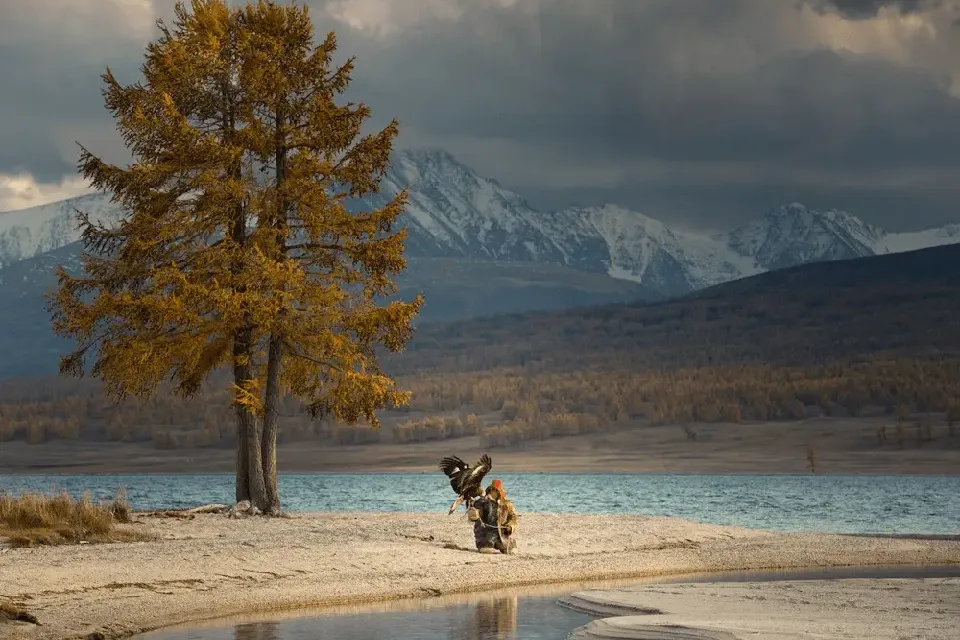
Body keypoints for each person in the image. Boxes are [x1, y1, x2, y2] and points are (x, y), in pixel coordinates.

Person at [466, 478, 518, 554]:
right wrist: (474, 514)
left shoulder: (506, 504)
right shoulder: (482, 502)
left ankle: (503, 545)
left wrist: (510, 526)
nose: (494, 492)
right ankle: (484, 545)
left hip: (502, 534)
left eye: (496, 491)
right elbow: (475, 513)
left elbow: (513, 518)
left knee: (511, 548)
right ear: (490, 490)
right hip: (485, 533)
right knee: (487, 547)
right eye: (493, 490)